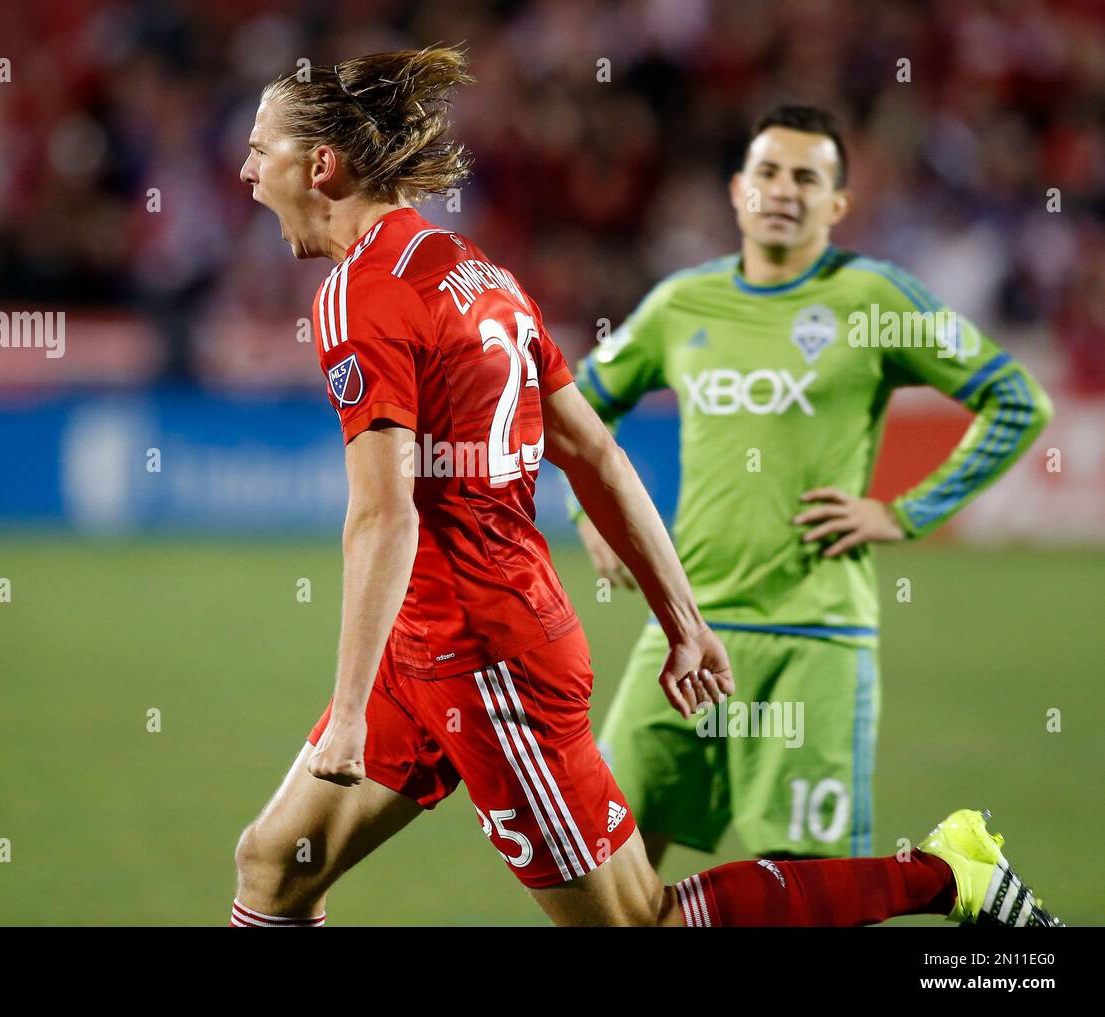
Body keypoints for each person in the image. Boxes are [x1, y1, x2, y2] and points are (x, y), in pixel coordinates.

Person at [229, 48, 1060, 928]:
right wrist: (684, 624)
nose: (246, 173)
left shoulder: (360, 295)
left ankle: (945, 875)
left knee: (641, 919)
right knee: (274, 865)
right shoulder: (476, 271)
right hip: (425, 638)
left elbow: (383, 512)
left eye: (259, 150)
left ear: (321, 165)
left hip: (485, 656)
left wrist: (349, 711)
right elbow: (593, 452)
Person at [571, 105, 1053, 867]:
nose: (783, 189)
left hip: (814, 638)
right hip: (686, 632)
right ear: (737, 191)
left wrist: (907, 512)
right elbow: (578, 404)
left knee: (807, 892)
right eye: (767, 171)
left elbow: (1018, 399)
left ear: (836, 205)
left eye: (807, 176)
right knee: (604, 865)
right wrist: (592, 515)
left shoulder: (875, 299)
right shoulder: (682, 304)